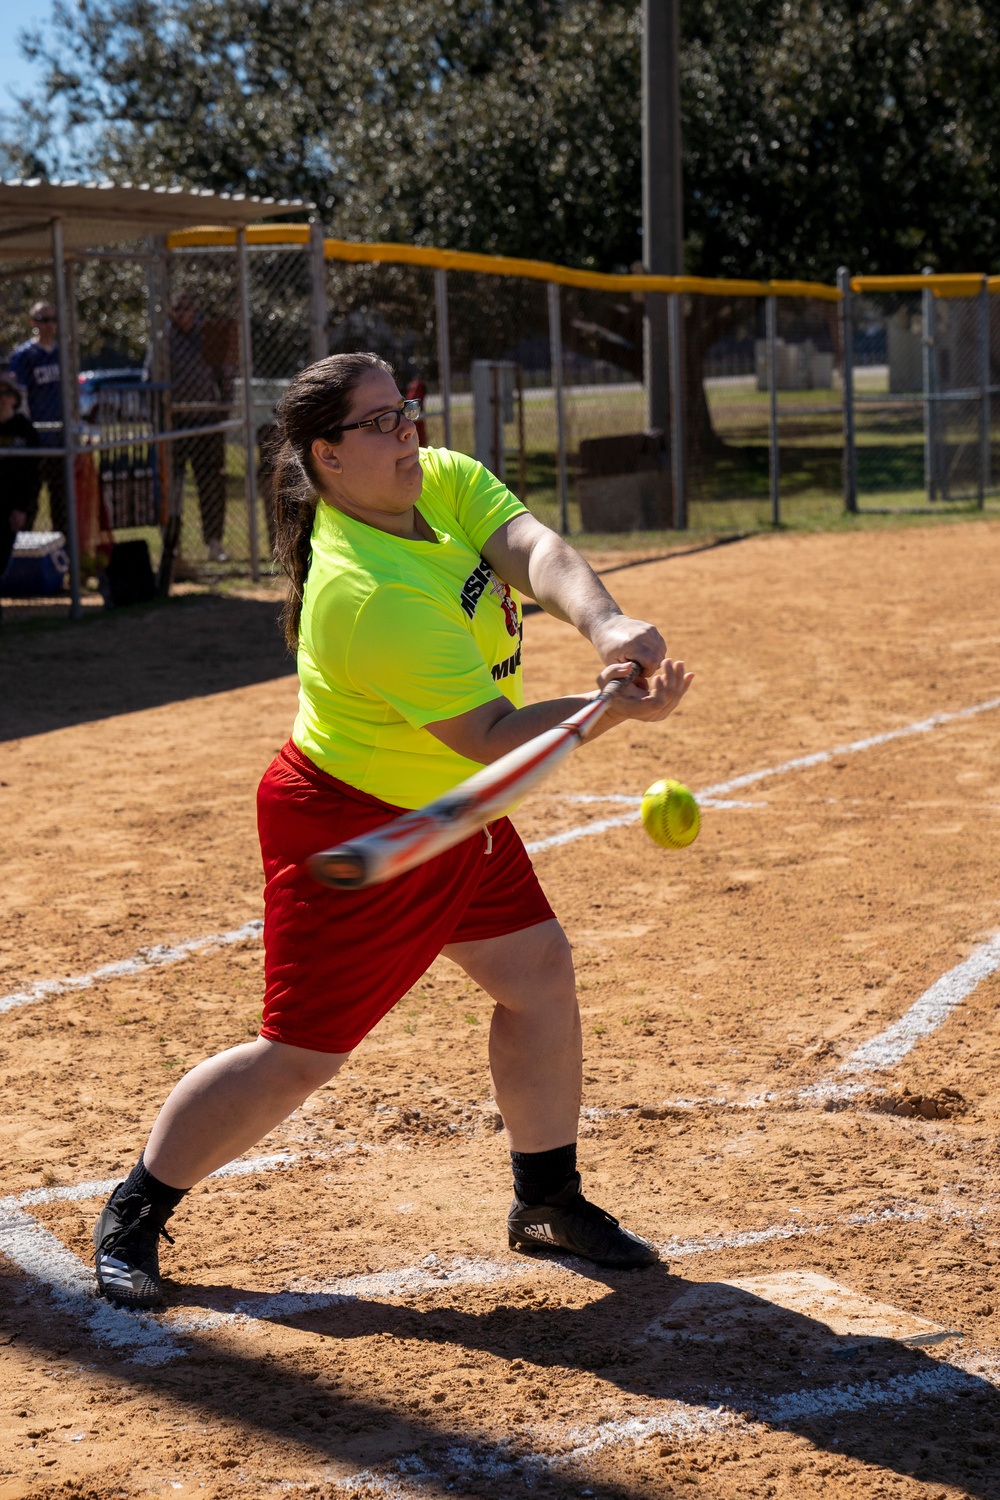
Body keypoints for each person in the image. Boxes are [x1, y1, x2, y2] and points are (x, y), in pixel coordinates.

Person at [92, 351, 693, 1310]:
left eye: (405, 411)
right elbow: (490, 735)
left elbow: (533, 549)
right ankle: (137, 1209)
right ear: (326, 455)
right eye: (379, 423)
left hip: (459, 804)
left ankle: (547, 1199)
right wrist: (608, 710)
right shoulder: (363, 592)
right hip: (359, 822)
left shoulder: (438, 482)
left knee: (536, 977)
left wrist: (607, 629)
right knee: (301, 1055)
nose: (407, 432)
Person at [158, 293, 232, 562]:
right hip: (175, 421)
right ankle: (172, 544)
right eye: (176, 309)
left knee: (211, 483)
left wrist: (224, 411)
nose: (181, 314)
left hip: (207, 419)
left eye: (186, 308)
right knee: (173, 484)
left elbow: (225, 376)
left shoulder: (208, 335)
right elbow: (150, 376)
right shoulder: (164, 340)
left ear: (195, 309)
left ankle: (214, 542)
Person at [9, 301, 65, 534]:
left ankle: (64, 556)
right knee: (29, 501)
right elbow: (19, 396)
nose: (48, 325)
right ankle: (23, 556)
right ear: (33, 323)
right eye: (42, 320)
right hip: (36, 440)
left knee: (61, 503)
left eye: (52, 320)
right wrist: (29, 430)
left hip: (59, 439)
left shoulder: (61, 353)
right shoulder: (25, 355)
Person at [0, 370, 40, 588]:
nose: (2, 399)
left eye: (6, 393)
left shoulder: (23, 428)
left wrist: (22, 508)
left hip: (12, 504)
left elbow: (31, 474)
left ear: (15, 399)